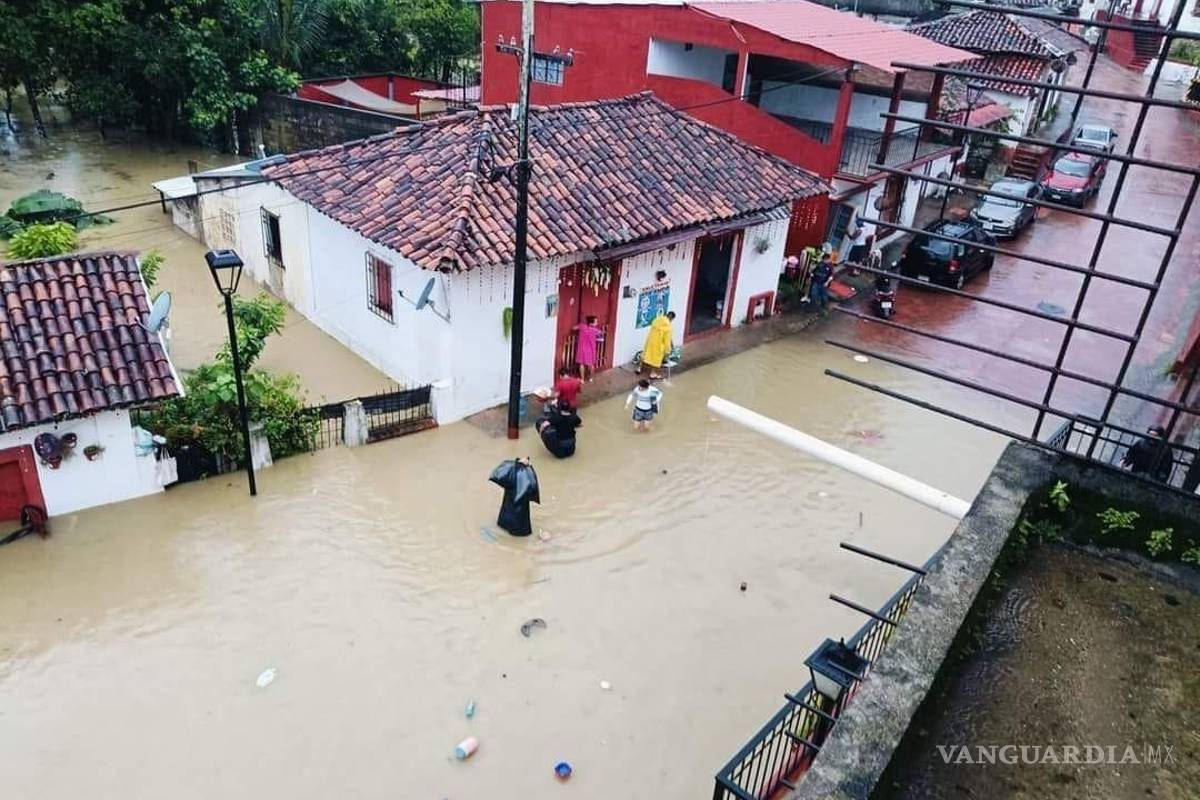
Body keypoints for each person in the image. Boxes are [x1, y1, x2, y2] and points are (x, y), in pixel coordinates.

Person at [489, 457, 541, 536]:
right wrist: (529, 468)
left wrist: (517, 464)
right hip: (518, 524)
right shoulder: (526, 480)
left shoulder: (510, 477)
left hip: (505, 519)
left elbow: (498, 473)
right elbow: (533, 487)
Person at [639, 311, 675, 380]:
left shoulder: (657, 319)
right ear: (671, 318)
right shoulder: (668, 327)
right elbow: (667, 340)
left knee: (645, 354)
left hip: (650, 340)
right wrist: (668, 350)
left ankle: (639, 368)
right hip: (659, 344)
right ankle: (653, 373)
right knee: (656, 359)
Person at [574, 315, 602, 382]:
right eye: (596, 322)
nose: (597, 323)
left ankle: (582, 379)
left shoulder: (582, 326)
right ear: (591, 323)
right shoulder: (596, 330)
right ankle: (591, 378)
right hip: (591, 350)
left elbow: (574, 328)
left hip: (581, 349)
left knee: (581, 364)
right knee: (591, 365)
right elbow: (601, 337)